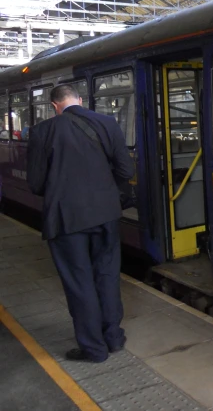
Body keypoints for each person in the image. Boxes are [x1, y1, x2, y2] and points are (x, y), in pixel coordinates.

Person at [27, 84, 134, 363]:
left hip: (66, 219)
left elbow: (36, 184)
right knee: (107, 276)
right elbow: (126, 170)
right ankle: (113, 338)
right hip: (106, 215)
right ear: (80, 100)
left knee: (79, 281)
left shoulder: (43, 131)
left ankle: (93, 349)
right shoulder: (108, 123)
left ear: (54, 106)